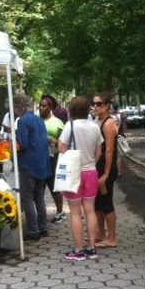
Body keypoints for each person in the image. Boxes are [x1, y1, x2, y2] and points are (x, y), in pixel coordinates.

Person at [58, 96, 104, 261]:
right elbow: (99, 152)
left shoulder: (69, 126)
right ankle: (92, 248)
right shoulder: (95, 127)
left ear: (71, 110)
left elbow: (61, 147)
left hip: (74, 174)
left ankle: (78, 250)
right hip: (91, 172)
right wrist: (90, 163)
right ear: (87, 110)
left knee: (76, 212)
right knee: (90, 210)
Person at [14, 93, 51, 240]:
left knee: (27, 198)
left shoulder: (23, 121)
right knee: (39, 197)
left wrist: (12, 142)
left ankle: (33, 231)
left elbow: (22, 144)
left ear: (18, 107)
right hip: (41, 162)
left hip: (28, 163)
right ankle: (43, 228)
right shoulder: (39, 119)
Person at [93, 92, 119, 248]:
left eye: (99, 104)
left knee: (107, 201)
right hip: (99, 168)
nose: (95, 106)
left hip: (106, 169)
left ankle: (112, 238)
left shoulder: (108, 124)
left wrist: (106, 173)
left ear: (107, 106)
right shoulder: (99, 121)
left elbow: (109, 150)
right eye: (94, 103)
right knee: (98, 202)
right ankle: (101, 233)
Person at [39, 94, 66, 224]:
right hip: (38, 158)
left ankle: (60, 211)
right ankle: (41, 213)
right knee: (40, 186)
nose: (40, 108)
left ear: (50, 107)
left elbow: (64, 142)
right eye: (40, 106)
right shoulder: (36, 120)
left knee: (54, 186)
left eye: (43, 106)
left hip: (52, 158)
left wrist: (54, 141)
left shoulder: (58, 123)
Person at [111, 103, 125, 177]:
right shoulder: (118, 116)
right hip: (118, 135)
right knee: (119, 155)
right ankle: (119, 171)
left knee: (112, 154)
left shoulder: (110, 117)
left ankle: (113, 170)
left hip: (112, 136)